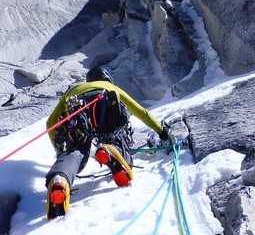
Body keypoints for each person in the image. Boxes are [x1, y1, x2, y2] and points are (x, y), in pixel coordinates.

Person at [45, 66, 171, 219]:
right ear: (107, 78)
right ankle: (111, 150)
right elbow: (140, 111)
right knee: (116, 136)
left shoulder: (74, 89)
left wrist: (60, 152)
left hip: (78, 109)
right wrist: (161, 131)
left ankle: (61, 178)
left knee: (76, 151)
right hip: (107, 107)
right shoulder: (110, 87)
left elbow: (51, 122)